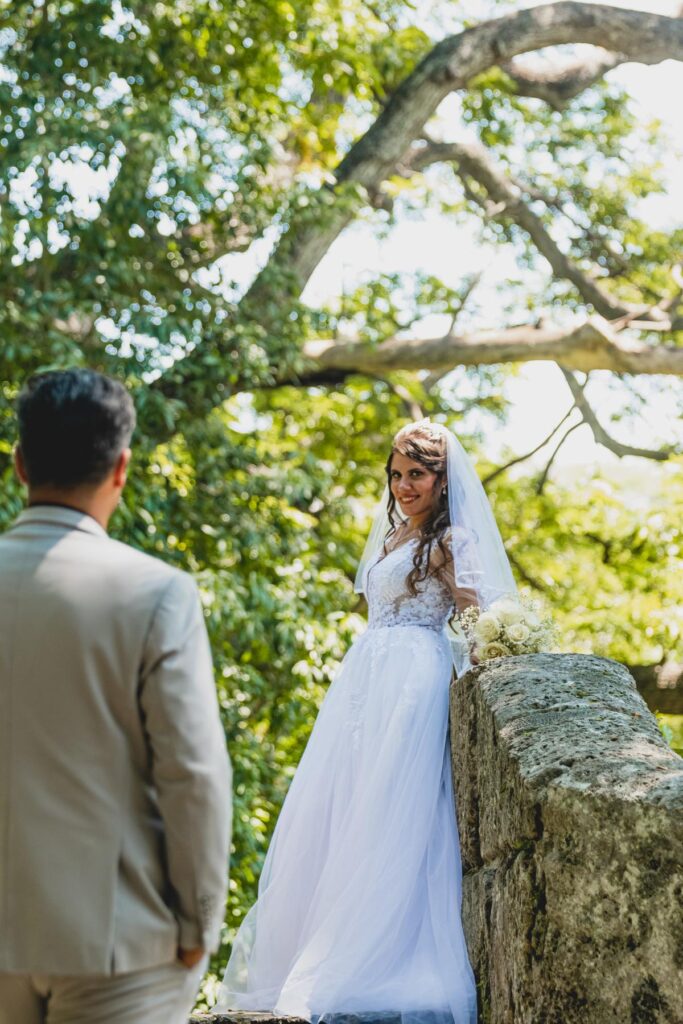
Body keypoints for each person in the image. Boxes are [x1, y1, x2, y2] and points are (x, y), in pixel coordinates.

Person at [216, 419, 516, 1024]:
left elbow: (472, 614)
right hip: (365, 679)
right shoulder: (395, 532)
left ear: (442, 478)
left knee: (389, 804)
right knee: (343, 802)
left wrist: (490, 656)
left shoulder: (453, 539)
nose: (405, 485)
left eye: (418, 475)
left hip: (414, 677)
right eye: (397, 475)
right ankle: (315, 949)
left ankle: (371, 961)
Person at [0, 368, 232, 1024]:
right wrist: (198, 923)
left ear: (20, 464)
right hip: (119, 940)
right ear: (121, 468)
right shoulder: (154, 594)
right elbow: (192, 774)